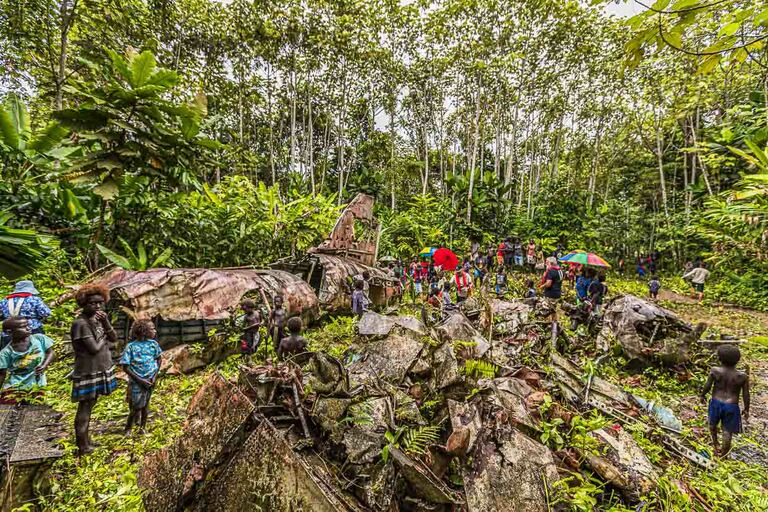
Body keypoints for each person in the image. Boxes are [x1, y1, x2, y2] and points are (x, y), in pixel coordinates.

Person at [70, 284, 118, 456]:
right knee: (85, 406)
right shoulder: (81, 323)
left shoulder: (97, 320)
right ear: (84, 304)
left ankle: (86, 440)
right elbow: (94, 348)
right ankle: (82, 445)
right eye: (93, 303)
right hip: (88, 370)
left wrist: (105, 322)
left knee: (91, 404)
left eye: (100, 303)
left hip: (99, 368)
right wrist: (104, 336)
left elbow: (114, 338)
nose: (97, 307)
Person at [700, 345, 750, 456]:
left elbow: (707, 385)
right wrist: (746, 409)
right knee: (727, 432)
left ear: (719, 359)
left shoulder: (715, 371)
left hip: (716, 403)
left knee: (712, 425)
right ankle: (723, 454)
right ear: (737, 360)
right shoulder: (742, 376)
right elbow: (746, 394)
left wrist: (702, 395)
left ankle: (715, 443)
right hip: (731, 406)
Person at [120, 319, 162, 435]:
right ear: (144, 331)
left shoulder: (153, 344)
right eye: (152, 328)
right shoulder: (131, 347)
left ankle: (142, 428)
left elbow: (159, 359)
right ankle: (128, 428)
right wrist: (140, 380)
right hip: (136, 382)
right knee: (136, 407)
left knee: (146, 405)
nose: (155, 331)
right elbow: (125, 367)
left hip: (150, 380)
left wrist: (154, 376)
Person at [0, 317, 54, 403]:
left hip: (37, 385)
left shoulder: (40, 339)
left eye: (28, 325)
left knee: (35, 409)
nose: (28, 328)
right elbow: (2, 374)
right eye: (23, 327)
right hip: (15, 387)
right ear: (9, 332)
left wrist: (44, 365)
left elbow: (50, 353)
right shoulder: (5, 353)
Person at [0, 280, 51, 348]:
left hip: (9, 332)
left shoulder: (4, 301)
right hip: (32, 330)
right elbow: (46, 313)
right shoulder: (34, 299)